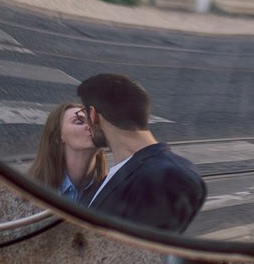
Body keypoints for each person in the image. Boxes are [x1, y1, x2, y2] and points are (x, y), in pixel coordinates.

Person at [76, 73, 206, 233]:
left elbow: (143, 247)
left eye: (83, 114)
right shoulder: (124, 172)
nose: (85, 124)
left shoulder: (168, 176)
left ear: (93, 114)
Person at [26, 99, 107, 200]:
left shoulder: (111, 190)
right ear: (58, 137)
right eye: (79, 122)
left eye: (93, 121)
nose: (91, 126)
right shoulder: (31, 189)